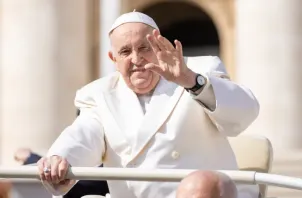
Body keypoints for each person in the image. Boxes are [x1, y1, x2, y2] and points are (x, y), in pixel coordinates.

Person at [37, 11, 260, 198]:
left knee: (202, 184)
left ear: (159, 46)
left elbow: (244, 114)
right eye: (125, 51)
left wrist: (189, 80)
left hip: (205, 193)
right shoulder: (99, 93)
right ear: (113, 59)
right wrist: (60, 158)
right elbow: (83, 134)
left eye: (144, 48)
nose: (136, 59)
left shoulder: (199, 69)